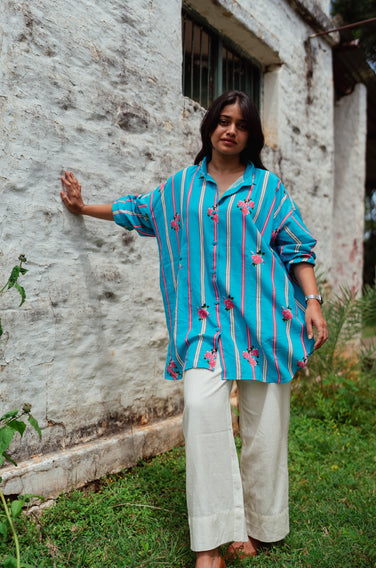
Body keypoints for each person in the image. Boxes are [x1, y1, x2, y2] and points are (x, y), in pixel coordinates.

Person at [61, 90, 327, 568]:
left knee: (264, 428)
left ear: (252, 135)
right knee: (202, 411)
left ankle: (258, 526)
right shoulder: (180, 187)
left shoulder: (268, 190)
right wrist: (84, 208)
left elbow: (297, 249)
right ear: (209, 127)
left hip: (265, 324)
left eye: (241, 125)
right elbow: (136, 210)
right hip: (202, 328)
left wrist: (312, 300)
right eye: (223, 121)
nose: (230, 130)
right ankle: (209, 543)